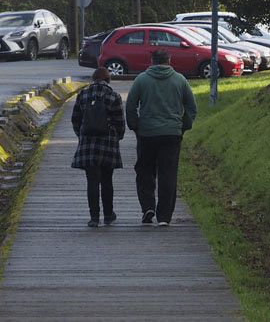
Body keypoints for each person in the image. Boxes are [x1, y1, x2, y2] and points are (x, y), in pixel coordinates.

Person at [125, 48, 197, 227]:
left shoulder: (141, 79)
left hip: (147, 133)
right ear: (169, 60)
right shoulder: (180, 80)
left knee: (144, 171)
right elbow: (191, 106)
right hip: (172, 134)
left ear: (152, 61)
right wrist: (183, 125)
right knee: (168, 174)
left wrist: (135, 126)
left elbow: (131, 105)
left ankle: (147, 207)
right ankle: (164, 216)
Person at [71, 67, 125, 227]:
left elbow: (75, 118)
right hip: (107, 144)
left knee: (92, 181)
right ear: (108, 79)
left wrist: (81, 135)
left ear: (93, 79)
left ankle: (94, 217)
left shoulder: (83, 94)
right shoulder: (113, 96)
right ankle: (109, 215)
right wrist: (117, 137)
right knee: (107, 180)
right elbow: (120, 121)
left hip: (88, 145)